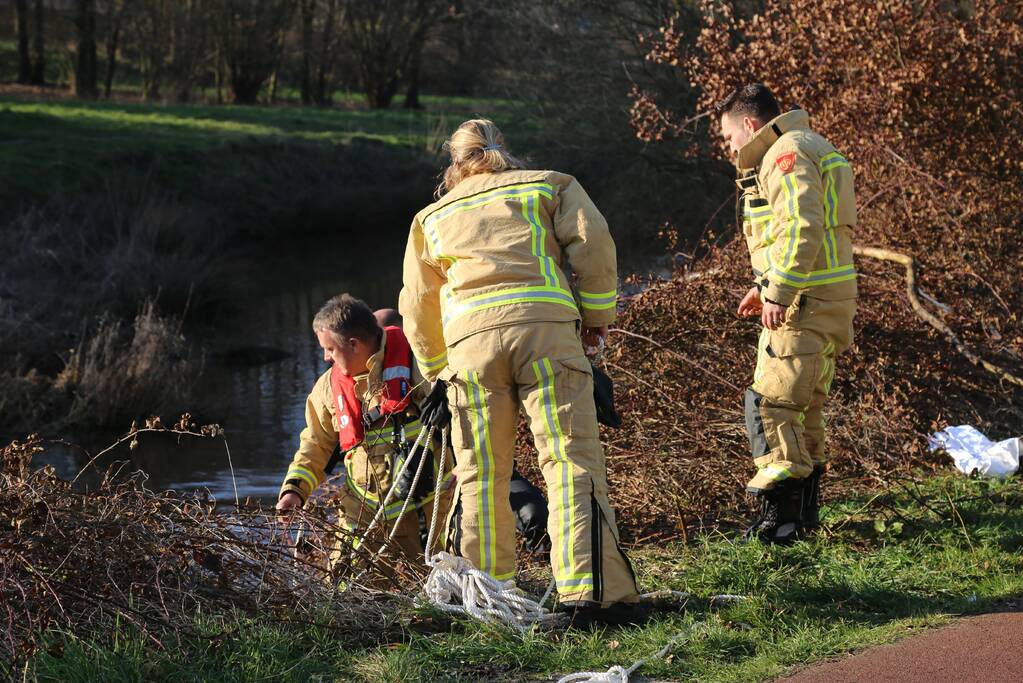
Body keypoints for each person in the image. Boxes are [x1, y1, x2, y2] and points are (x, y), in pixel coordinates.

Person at [399, 118, 642, 626]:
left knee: (481, 478)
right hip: (547, 335)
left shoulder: (430, 218)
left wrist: (437, 371)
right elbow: (594, 246)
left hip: (470, 351)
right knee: (571, 462)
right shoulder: (551, 185)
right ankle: (593, 594)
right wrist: (597, 319)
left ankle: (492, 600)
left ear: (455, 163)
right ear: (502, 151)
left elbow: (418, 307)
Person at [717, 84, 858, 543]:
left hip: (804, 303)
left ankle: (777, 525)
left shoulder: (784, 152)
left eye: (728, 137)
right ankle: (804, 521)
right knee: (806, 409)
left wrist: (779, 290)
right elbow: (804, 233)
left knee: (769, 406)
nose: (730, 148)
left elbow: (801, 223)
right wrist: (764, 288)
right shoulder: (811, 144)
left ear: (749, 125)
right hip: (827, 299)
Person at [276, 293, 453, 568]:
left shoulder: (421, 364)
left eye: (330, 349)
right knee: (344, 591)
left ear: (354, 344)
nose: (325, 357)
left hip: (428, 513)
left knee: (437, 589)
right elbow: (315, 444)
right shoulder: (328, 388)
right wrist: (294, 491)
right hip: (362, 515)